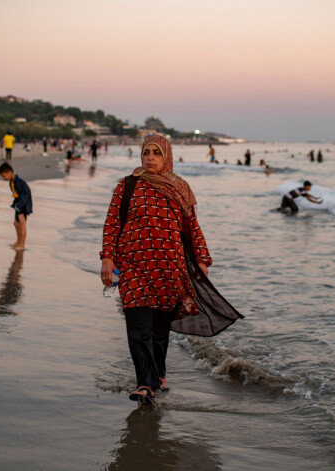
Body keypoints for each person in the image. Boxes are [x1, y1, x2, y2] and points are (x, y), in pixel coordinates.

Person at [100, 134, 241, 402]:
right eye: (146, 152)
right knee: (138, 327)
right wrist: (108, 258)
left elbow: (192, 227)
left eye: (156, 153)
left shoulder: (181, 189)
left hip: (169, 269)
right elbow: (112, 225)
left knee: (159, 329)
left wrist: (201, 260)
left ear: (166, 156)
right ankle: (145, 382)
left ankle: (159, 373)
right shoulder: (127, 186)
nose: (150, 157)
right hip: (133, 266)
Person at [0, 162, 32, 251]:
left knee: (22, 225)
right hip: (18, 203)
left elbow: (26, 193)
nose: (3, 178)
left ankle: (22, 245)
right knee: (16, 224)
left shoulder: (19, 182)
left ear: (10, 172)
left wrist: (20, 205)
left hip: (23, 205)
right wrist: (16, 203)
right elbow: (16, 193)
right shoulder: (12, 181)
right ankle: (18, 241)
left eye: (4, 176)